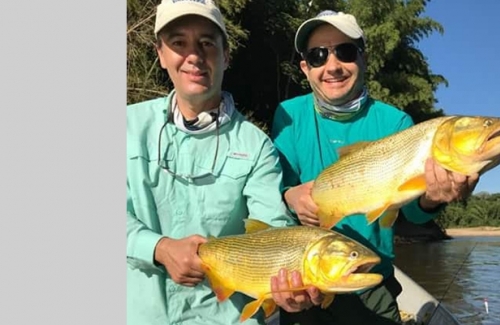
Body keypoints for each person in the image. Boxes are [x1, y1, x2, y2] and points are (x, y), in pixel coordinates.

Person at [271, 10, 480, 325]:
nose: (332, 66)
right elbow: (272, 192)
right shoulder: (288, 115)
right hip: (307, 285)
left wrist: (434, 197)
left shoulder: (395, 122)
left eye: (345, 51)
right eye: (318, 56)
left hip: (371, 282)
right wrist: (289, 197)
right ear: (305, 68)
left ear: (363, 58)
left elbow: (412, 213)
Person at [126, 1, 322, 324]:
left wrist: (286, 288)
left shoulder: (256, 146)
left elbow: (273, 229)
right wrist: (158, 248)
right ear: (160, 53)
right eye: (179, 43)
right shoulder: (126, 126)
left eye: (206, 43)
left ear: (226, 54)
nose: (194, 56)